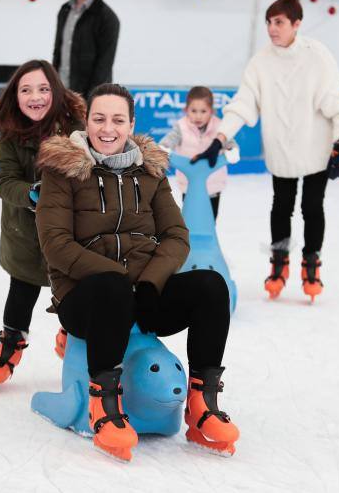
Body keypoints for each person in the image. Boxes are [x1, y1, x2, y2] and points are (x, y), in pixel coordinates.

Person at [35, 83, 240, 462]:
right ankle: (104, 406)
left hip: (144, 295)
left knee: (211, 286)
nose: (107, 128)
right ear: (87, 121)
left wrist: (150, 282)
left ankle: (202, 405)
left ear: (131, 123)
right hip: (86, 298)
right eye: (99, 118)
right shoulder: (61, 172)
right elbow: (56, 245)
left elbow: (176, 235)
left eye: (117, 119)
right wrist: (120, 279)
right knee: (112, 288)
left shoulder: (150, 170)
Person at [215, 0, 339, 302]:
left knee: (312, 207)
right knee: (281, 206)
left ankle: (311, 264)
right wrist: (220, 136)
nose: (271, 28)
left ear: (296, 24)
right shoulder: (261, 61)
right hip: (281, 149)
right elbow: (244, 103)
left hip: (317, 148)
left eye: (279, 22)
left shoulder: (317, 55)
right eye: (269, 22)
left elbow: (336, 101)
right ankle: (279, 264)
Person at [0, 60, 85, 390]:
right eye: (26, 90)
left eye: (43, 89)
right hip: (24, 235)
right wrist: (31, 194)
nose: (35, 97)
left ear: (56, 91)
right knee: (21, 292)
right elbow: (5, 182)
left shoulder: (76, 131)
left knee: (72, 292)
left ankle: (73, 333)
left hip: (69, 236)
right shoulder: (9, 138)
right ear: (15, 95)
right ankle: (11, 344)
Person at [158, 86, 239, 221]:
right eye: (193, 111)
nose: (198, 116)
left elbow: (229, 141)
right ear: (186, 110)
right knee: (190, 220)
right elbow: (169, 140)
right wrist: (164, 148)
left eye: (203, 111)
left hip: (213, 184)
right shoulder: (181, 127)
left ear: (211, 111)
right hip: (189, 184)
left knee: (210, 221)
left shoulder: (220, 127)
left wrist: (232, 150)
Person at [52, 0, 119, 100]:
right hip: (60, 96)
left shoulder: (107, 18)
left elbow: (103, 68)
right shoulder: (64, 10)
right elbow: (57, 54)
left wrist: (89, 103)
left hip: (88, 101)